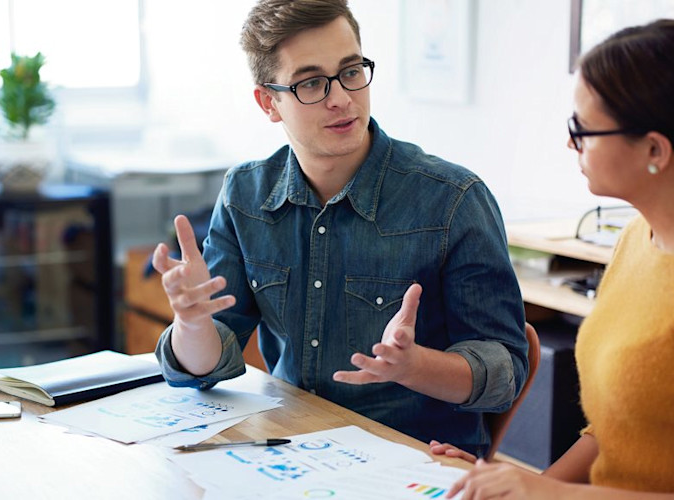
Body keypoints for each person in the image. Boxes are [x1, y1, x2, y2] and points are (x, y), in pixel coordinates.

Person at [152, 0, 528, 455]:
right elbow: (206, 369)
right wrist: (192, 324)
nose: (342, 98)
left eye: (351, 71)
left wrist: (413, 366)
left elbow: (504, 374)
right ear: (269, 102)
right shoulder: (245, 195)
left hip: (412, 461)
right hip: (290, 453)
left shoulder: (453, 199)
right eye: (312, 82)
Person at [431, 19, 674, 499]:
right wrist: (512, 484)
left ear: (653, 148)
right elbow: (615, 429)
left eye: (581, 128)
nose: (570, 143)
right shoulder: (634, 240)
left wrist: (552, 495)